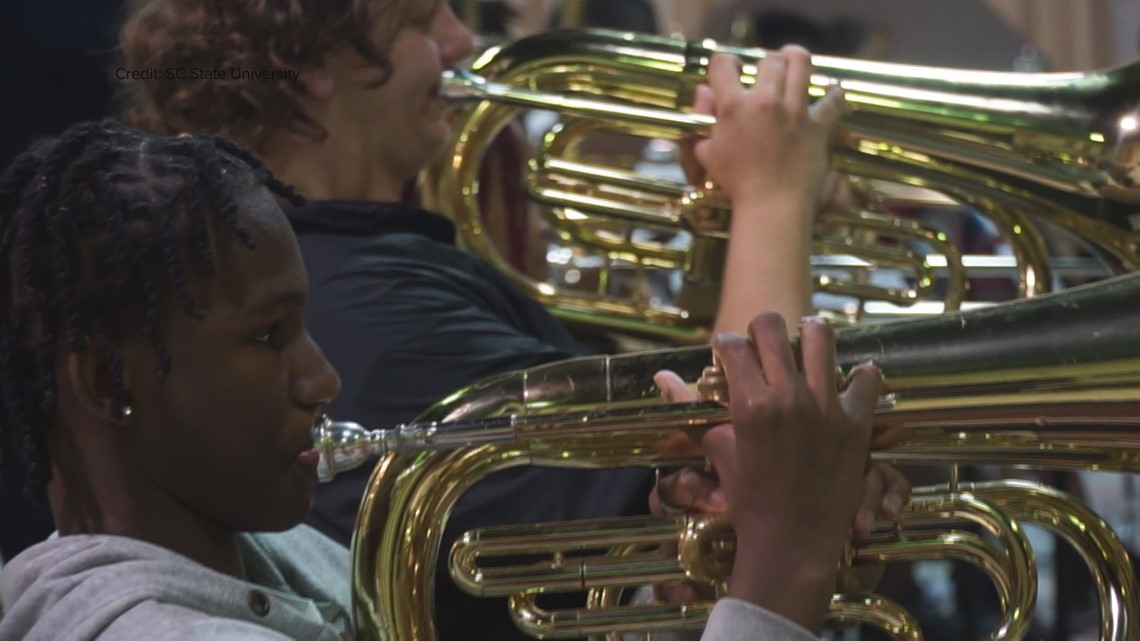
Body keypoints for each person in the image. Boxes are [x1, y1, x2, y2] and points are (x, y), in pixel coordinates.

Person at [117, 2, 907, 639]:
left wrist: (735, 228)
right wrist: (775, 195)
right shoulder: (358, 308)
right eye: (425, 20)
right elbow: (730, 498)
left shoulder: (369, 266)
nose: (463, 42)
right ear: (312, 66)